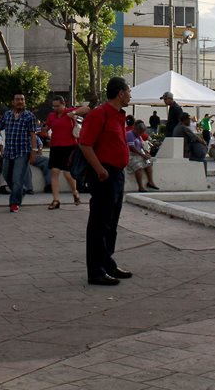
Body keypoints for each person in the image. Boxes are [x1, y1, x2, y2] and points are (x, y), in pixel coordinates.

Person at [78, 76, 133, 286]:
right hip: (104, 174)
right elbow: (85, 144)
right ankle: (96, 271)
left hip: (117, 174)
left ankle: (107, 262)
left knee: (111, 223)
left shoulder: (118, 115)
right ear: (120, 93)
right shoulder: (99, 114)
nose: (130, 95)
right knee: (99, 223)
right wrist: (100, 169)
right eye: (128, 91)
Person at [0, 94, 41, 213]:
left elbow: (33, 135)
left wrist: (34, 151)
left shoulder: (29, 116)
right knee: (6, 175)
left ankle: (14, 203)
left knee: (17, 178)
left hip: (23, 152)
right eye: (17, 99)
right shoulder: (7, 115)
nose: (20, 101)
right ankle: (21, 190)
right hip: (9, 152)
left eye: (22, 99)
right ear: (13, 102)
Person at [42, 95, 82, 209]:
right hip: (55, 146)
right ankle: (56, 200)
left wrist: (74, 113)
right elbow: (47, 128)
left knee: (68, 174)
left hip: (70, 147)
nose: (55, 108)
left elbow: (86, 109)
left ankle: (75, 192)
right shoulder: (51, 115)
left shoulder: (69, 112)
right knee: (55, 172)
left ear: (63, 104)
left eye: (57, 106)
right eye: (53, 106)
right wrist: (44, 129)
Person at [126, 120, 158, 192]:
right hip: (131, 155)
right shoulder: (129, 134)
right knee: (138, 166)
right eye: (140, 132)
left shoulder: (139, 136)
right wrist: (142, 155)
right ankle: (140, 187)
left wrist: (146, 153)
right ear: (136, 129)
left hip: (139, 154)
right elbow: (132, 147)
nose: (141, 134)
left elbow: (141, 146)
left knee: (149, 163)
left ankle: (150, 182)